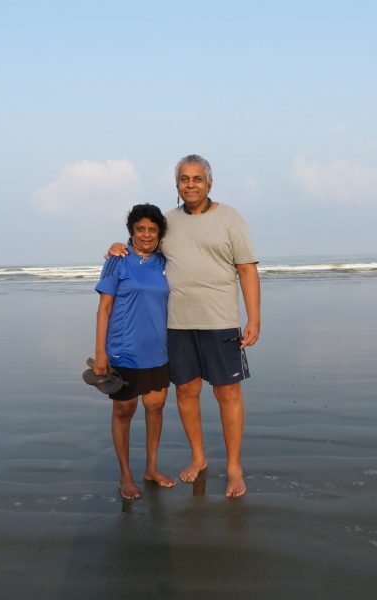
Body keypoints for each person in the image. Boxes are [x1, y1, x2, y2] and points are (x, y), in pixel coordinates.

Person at [108, 155, 260, 497]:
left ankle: (234, 467)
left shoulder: (230, 218)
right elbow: (142, 245)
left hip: (220, 321)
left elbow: (247, 269)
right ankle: (198, 457)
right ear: (177, 184)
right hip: (176, 324)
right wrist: (117, 246)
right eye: (184, 179)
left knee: (227, 393)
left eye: (197, 179)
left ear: (209, 182)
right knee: (187, 392)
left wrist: (254, 318)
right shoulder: (168, 222)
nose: (190, 184)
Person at [94, 203, 176, 500]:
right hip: (123, 350)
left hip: (158, 350)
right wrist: (100, 352)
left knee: (155, 408)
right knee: (124, 410)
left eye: (152, 230)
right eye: (140, 229)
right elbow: (104, 308)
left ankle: (151, 468)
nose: (146, 234)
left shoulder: (164, 262)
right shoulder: (118, 260)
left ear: (159, 233)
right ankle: (125, 474)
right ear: (131, 230)